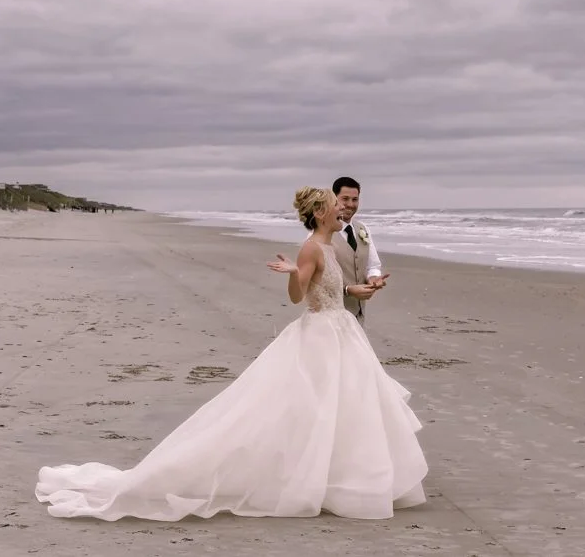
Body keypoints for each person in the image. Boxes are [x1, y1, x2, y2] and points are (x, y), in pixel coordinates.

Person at [34, 186, 428, 521]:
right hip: (322, 333)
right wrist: (294, 272)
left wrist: (352, 290)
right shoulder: (312, 248)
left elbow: (328, 290)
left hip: (340, 330)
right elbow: (299, 297)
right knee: (315, 407)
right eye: (335, 205)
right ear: (322, 213)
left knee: (344, 406)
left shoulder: (328, 244)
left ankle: (338, 477)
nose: (342, 210)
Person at [331, 176, 387, 323]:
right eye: (345, 199)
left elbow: (372, 265)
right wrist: (348, 290)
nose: (350, 204)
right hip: (331, 316)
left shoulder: (363, 229)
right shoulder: (320, 233)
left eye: (355, 199)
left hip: (358, 315)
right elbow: (316, 281)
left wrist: (373, 278)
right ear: (334, 199)